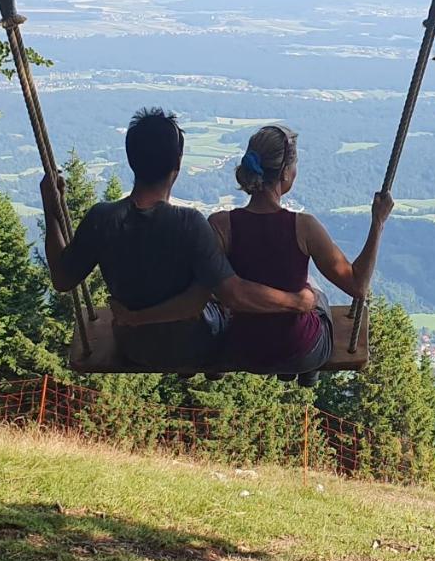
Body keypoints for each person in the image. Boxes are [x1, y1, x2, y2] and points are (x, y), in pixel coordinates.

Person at [115, 124, 393, 387]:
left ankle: (239, 364)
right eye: (295, 166)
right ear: (285, 173)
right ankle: (308, 372)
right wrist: (378, 223)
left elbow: (200, 290)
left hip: (244, 350)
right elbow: (358, 286)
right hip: (300, 349)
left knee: (222, 292)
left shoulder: (221, 225)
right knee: (316, 292)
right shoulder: (304, 227)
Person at [40, 108, 317, 373]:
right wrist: (296, 301)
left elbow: (62, 280)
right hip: (195, 347)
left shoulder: (102, 218)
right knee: (217, 299)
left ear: (131, 158)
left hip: (134, 346)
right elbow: (228, 294)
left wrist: (52, 207)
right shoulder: (189, 223)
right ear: (178, 163)